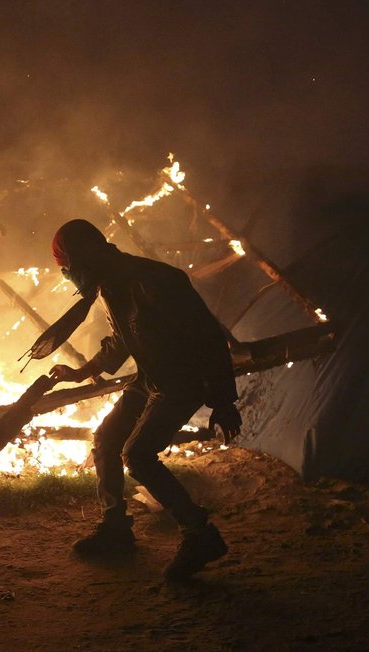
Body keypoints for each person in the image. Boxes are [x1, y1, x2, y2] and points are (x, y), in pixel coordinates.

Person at [43, 219, 242, 580]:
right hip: (149, 380)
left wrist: (224, 401)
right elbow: (120, 341)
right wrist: (80, 371)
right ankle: (115, 528)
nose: (69, 277)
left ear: (82, 258)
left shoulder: (157, 281)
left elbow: (209, 339)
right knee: (105, 440)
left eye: (67, 269)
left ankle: (200, 534)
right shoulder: (111, 285)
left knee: (137, 455)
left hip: (182, 383)